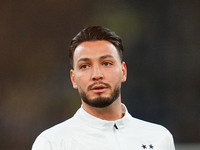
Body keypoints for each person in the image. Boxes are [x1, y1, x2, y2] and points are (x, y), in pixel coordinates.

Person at [32, 26, 175, 150]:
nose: (97, 75)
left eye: (106, 63)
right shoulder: (52, 143)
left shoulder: (159, 138)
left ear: (123, 71)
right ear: (73, 78)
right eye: (85, 66)